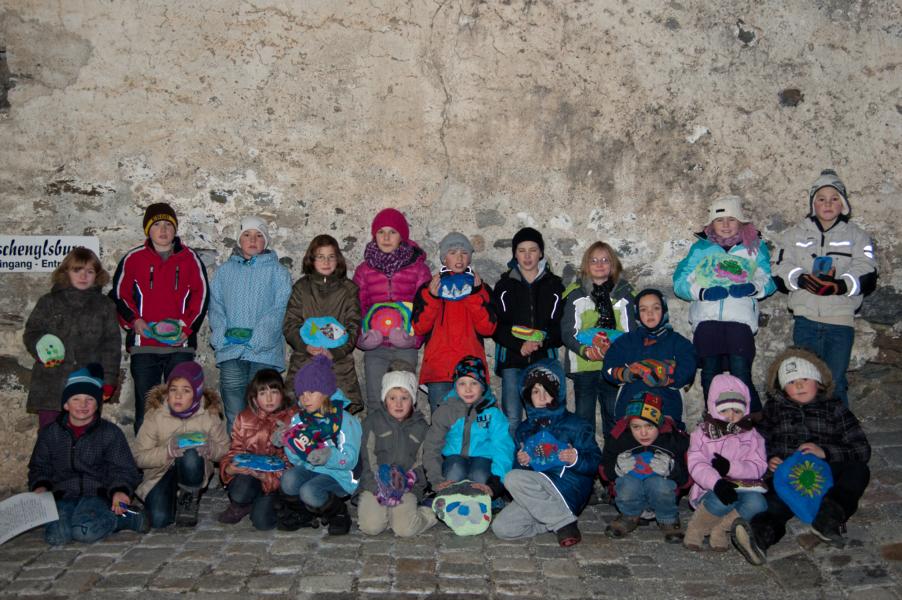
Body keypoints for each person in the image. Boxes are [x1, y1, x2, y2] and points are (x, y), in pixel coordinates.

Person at [731, 348, 871, 565]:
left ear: (819, 381)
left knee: (858, 471)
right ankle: (759, 537)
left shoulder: (834, 408)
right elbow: (757, 444)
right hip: (787, 477)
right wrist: (768, 460)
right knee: (774, 504)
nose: (798, 385)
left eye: (805, 379)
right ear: (783, 389)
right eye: (791, 382)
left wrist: (825, 452)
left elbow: (861, 448)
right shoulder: (774, 411)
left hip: (827, 472)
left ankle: (828, 517)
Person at [772, 169, 878, 407]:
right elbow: (779, 267)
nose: (827, 204)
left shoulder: (857, 236)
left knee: (835, 381)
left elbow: (868, 271)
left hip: (840, 322)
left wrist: (839, 286)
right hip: (806, 320)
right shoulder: (794, 235)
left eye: (834, 198)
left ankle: (840, 429)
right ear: (813, 204)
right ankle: (809, 426)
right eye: (821, 198)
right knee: (806, 382)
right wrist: (800, 279)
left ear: (843, 204)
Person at [110, 202, 210, 434]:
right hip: (144, 346)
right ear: (148, 230)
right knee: (147, 411)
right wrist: (134, 320)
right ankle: (146, 456)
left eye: (168, 225)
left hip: (179, 347)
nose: (163, 230)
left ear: (175, 229)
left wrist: (187, 329)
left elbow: (201, 295)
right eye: (157, 225)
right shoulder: (133, 258)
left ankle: (180, 456)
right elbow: (119, 294)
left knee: (182, 409)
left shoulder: (190, 259)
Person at [673, 196, 776, 414]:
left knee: (741, 371)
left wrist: (752, 288)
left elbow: (768, 279)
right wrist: (702, 293)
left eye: (732, 219)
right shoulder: (701, 249)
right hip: (707, 319)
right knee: (710, 373)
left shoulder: (754, 247)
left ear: (741, 222)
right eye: (720, 220)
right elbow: (680, 281)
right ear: (711, 224)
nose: (726, 225)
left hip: (740, 320)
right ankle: (713, 417)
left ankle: (750, 419)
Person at [27, 364, 146, 545]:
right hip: (63, 494)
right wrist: (41, 486)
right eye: (76, 399)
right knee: (56, 536)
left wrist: (120, 490)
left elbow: (123, 468)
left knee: (85, 531)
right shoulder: (50, 433)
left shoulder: (109, 433)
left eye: (89, 399)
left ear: (98, 404)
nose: (83, 405)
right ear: (66, 404)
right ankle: (76, 519)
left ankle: (125, 518)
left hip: (98, 493)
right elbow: (40, 466)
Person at [492, 360, 602, 547]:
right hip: (539, 495)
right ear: (528, 396)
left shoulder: (576, 424)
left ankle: (563, 522)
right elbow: (522, 472)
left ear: (557, 393)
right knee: (502, 528)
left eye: (547, 390)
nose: (542, 397)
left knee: (512, 478)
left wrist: (575, 458)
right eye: (536, 392)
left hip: (567, 489)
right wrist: (523, 462)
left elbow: (595, 461)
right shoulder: (524, 430)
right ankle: (555, 520)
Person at [209, 216, 291, 433]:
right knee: (235, 412)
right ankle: (237, 453)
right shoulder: (225, 272)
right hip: (231, 350)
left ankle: (265, 453)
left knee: (265, 411)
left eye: (258, 235)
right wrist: (220, 336)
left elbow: (280, 308)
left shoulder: (278, 273)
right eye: (247, 235)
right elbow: (216, 306)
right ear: (239, 240)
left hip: (263, 352)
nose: (252, 240)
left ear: (266, 241)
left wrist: (260, 338)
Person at [23, 248, 121, 428]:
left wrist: (108, 380)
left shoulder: (105, 306)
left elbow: (111, 346)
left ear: (97, 275)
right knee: (50, 435)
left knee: (84, 435)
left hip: (87, 383)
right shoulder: (48, 302)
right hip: (51, 382)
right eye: (77, 270)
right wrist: (42, 349)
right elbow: (32, 332)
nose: (83, 276)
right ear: (66, 272)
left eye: (89, 271)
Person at [133, 361, 229, 528]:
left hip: (192, 468)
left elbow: (226, 450)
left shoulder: (208, 416)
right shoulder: (156, 416)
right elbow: (139, 457)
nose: (178, 396)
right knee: (159, 520)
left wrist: (211, 448)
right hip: (161, 472)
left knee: (190, 453)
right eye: (173, 390)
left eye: (186, 391)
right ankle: (169, 498)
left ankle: (188, 498)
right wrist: (167, 451)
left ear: (197, 393)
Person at [353, 208, 431, 412]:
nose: (386, 237)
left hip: (404, 347)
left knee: (404, 403)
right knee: (375, 402)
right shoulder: (364, 270)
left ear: (402, 236)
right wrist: (361, 338)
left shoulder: (418, 269)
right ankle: (375, 434)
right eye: (381, 232)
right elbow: (357, 308)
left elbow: (426, 309)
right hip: (376, 348)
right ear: (374, 235)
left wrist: (414, 339)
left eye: (392, 232)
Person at [275, 355, 362, 535]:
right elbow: (298, 460)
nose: (305, 398)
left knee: (309, 491)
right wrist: (288, 441)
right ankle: (305, 514)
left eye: (312, 392)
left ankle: (338, 513)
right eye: (302, 393)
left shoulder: (344, 420)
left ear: (326, 392)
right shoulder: (300, 419)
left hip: (340, 474)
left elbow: (350, 460)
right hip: (312, 468)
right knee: (288, 480)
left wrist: (329, 455)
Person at [413, 231, 496, 414]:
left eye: (464, 253)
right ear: (444, 258)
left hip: (471, 372)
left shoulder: (480, 288)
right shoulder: (429, 288)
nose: (459, 257)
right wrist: (433, 298)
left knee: (473, 424)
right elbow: (419, 327)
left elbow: (488, 328)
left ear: (470, 258)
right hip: (440, 371)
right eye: (452, 252)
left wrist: (474, 295)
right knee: (441, 424)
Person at [491, 227, 564, 436]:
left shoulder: (555, 285)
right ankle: (512, 456)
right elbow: (497, 326)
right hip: (512, 360)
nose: (527, 256)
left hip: (543, 359)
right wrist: (519, 346)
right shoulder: (504, 286)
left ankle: (544, 455)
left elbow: (559, 327)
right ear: (515, 254)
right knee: (512, 417)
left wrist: (541, 341)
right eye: (522, 250)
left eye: (533, 250)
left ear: (541, 253)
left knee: (545, 415)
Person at [684, 374, 767, 552]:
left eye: (737, 411)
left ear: (745, 410)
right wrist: (716, 482)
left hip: (743, 486)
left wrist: (732, 467)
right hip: (710, 488)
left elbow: (758, 465)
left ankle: (721, 528)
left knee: (759, 504)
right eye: (724, 410)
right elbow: (697, 463)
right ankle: (697, 529)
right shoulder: (702, 434)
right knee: (722, 500)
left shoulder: (752, 436)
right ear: (714, 408)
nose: (731, 416)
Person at [561, 241, 635, 437]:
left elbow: (630, 332)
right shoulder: (576, 294)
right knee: (584, 417)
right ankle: (586, 454)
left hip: (614, 366)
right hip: (584, 366)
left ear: (613, 265)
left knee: (613, 415)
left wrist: (613, 349)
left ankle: (612, 454)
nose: (599, 264)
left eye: (605, 260)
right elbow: (568, 331)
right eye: (594, 260)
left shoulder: (624, 294)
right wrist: (586, 350)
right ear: (586, 265)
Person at [283, 234, 363, 414]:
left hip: (338, 363)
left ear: (338, 259)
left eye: (331, 256)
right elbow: (290, 323)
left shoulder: (348, 290)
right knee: (301, 414)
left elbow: (353, 326)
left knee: (337, 415)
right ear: (311, 260)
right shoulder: (301, 289)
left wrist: (335, 352)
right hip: (305, 359)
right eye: (320, 257)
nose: (326, 262)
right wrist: (305, 346)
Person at [357, 363, 437, 537]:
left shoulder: (421, 427)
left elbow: (424, 462)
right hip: (376, 484)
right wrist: (377, 486)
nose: (398, 404)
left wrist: (408, 483)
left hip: (406, 486)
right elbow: (367, 458)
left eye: (404, 398)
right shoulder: (372, 422)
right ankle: (387, 514)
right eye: (392, 398)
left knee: (404, 529)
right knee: (371, 527)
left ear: (412, 400)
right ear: (385, 399)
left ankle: (428, 513)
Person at [422, 356, 514, 501]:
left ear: (483, 386)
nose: (468, 389)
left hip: (483, 460)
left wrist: (496, 483)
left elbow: (502, 447)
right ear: (455, 386)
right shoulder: (446, 410)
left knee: (479, 476)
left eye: (474, 383)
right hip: (453, 459)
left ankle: (484, 502)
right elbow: (432, 446)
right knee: (454, 472)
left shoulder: (492, 413)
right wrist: (436, 480)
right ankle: (449, 501)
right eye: (462, 383)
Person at [601, 392, 690, 543]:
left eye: (649, 426)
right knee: (627, 482)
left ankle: (668, 518)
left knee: (659, 484)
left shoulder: (673, 439)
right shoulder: (619, 438)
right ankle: (629, 515)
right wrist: (616, 468)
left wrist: (672, 469)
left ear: (659, 424)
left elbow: (687, 479)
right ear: (629, 425)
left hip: (662, 493)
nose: (643, 433)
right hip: (631, 494)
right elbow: (604, 470)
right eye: (636, 427)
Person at [603, 289, 697, 429]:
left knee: (666, 441)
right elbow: (608, 369)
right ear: (637, 313)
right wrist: (627, 373)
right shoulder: (625, 342)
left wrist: (664, 375)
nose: (650, 313)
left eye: (656, 308)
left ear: (664, 310)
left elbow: (688, 371)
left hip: (667, 411)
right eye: (643, 309)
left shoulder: (678, 343)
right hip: (630, 412)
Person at [218, 369, 296, 530]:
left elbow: (293, 462)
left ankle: (264, 503)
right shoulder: (244, 418)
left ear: (282, 394)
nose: (269, 399)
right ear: (254, 397)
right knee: (240, 492)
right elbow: (235, 451)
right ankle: (242, 503)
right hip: (249, 477)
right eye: (263, 393)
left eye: (274, 392)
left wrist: (266, 477)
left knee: (262, 522)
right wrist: (230, 469)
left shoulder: (292, 420)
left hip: (276, 481)